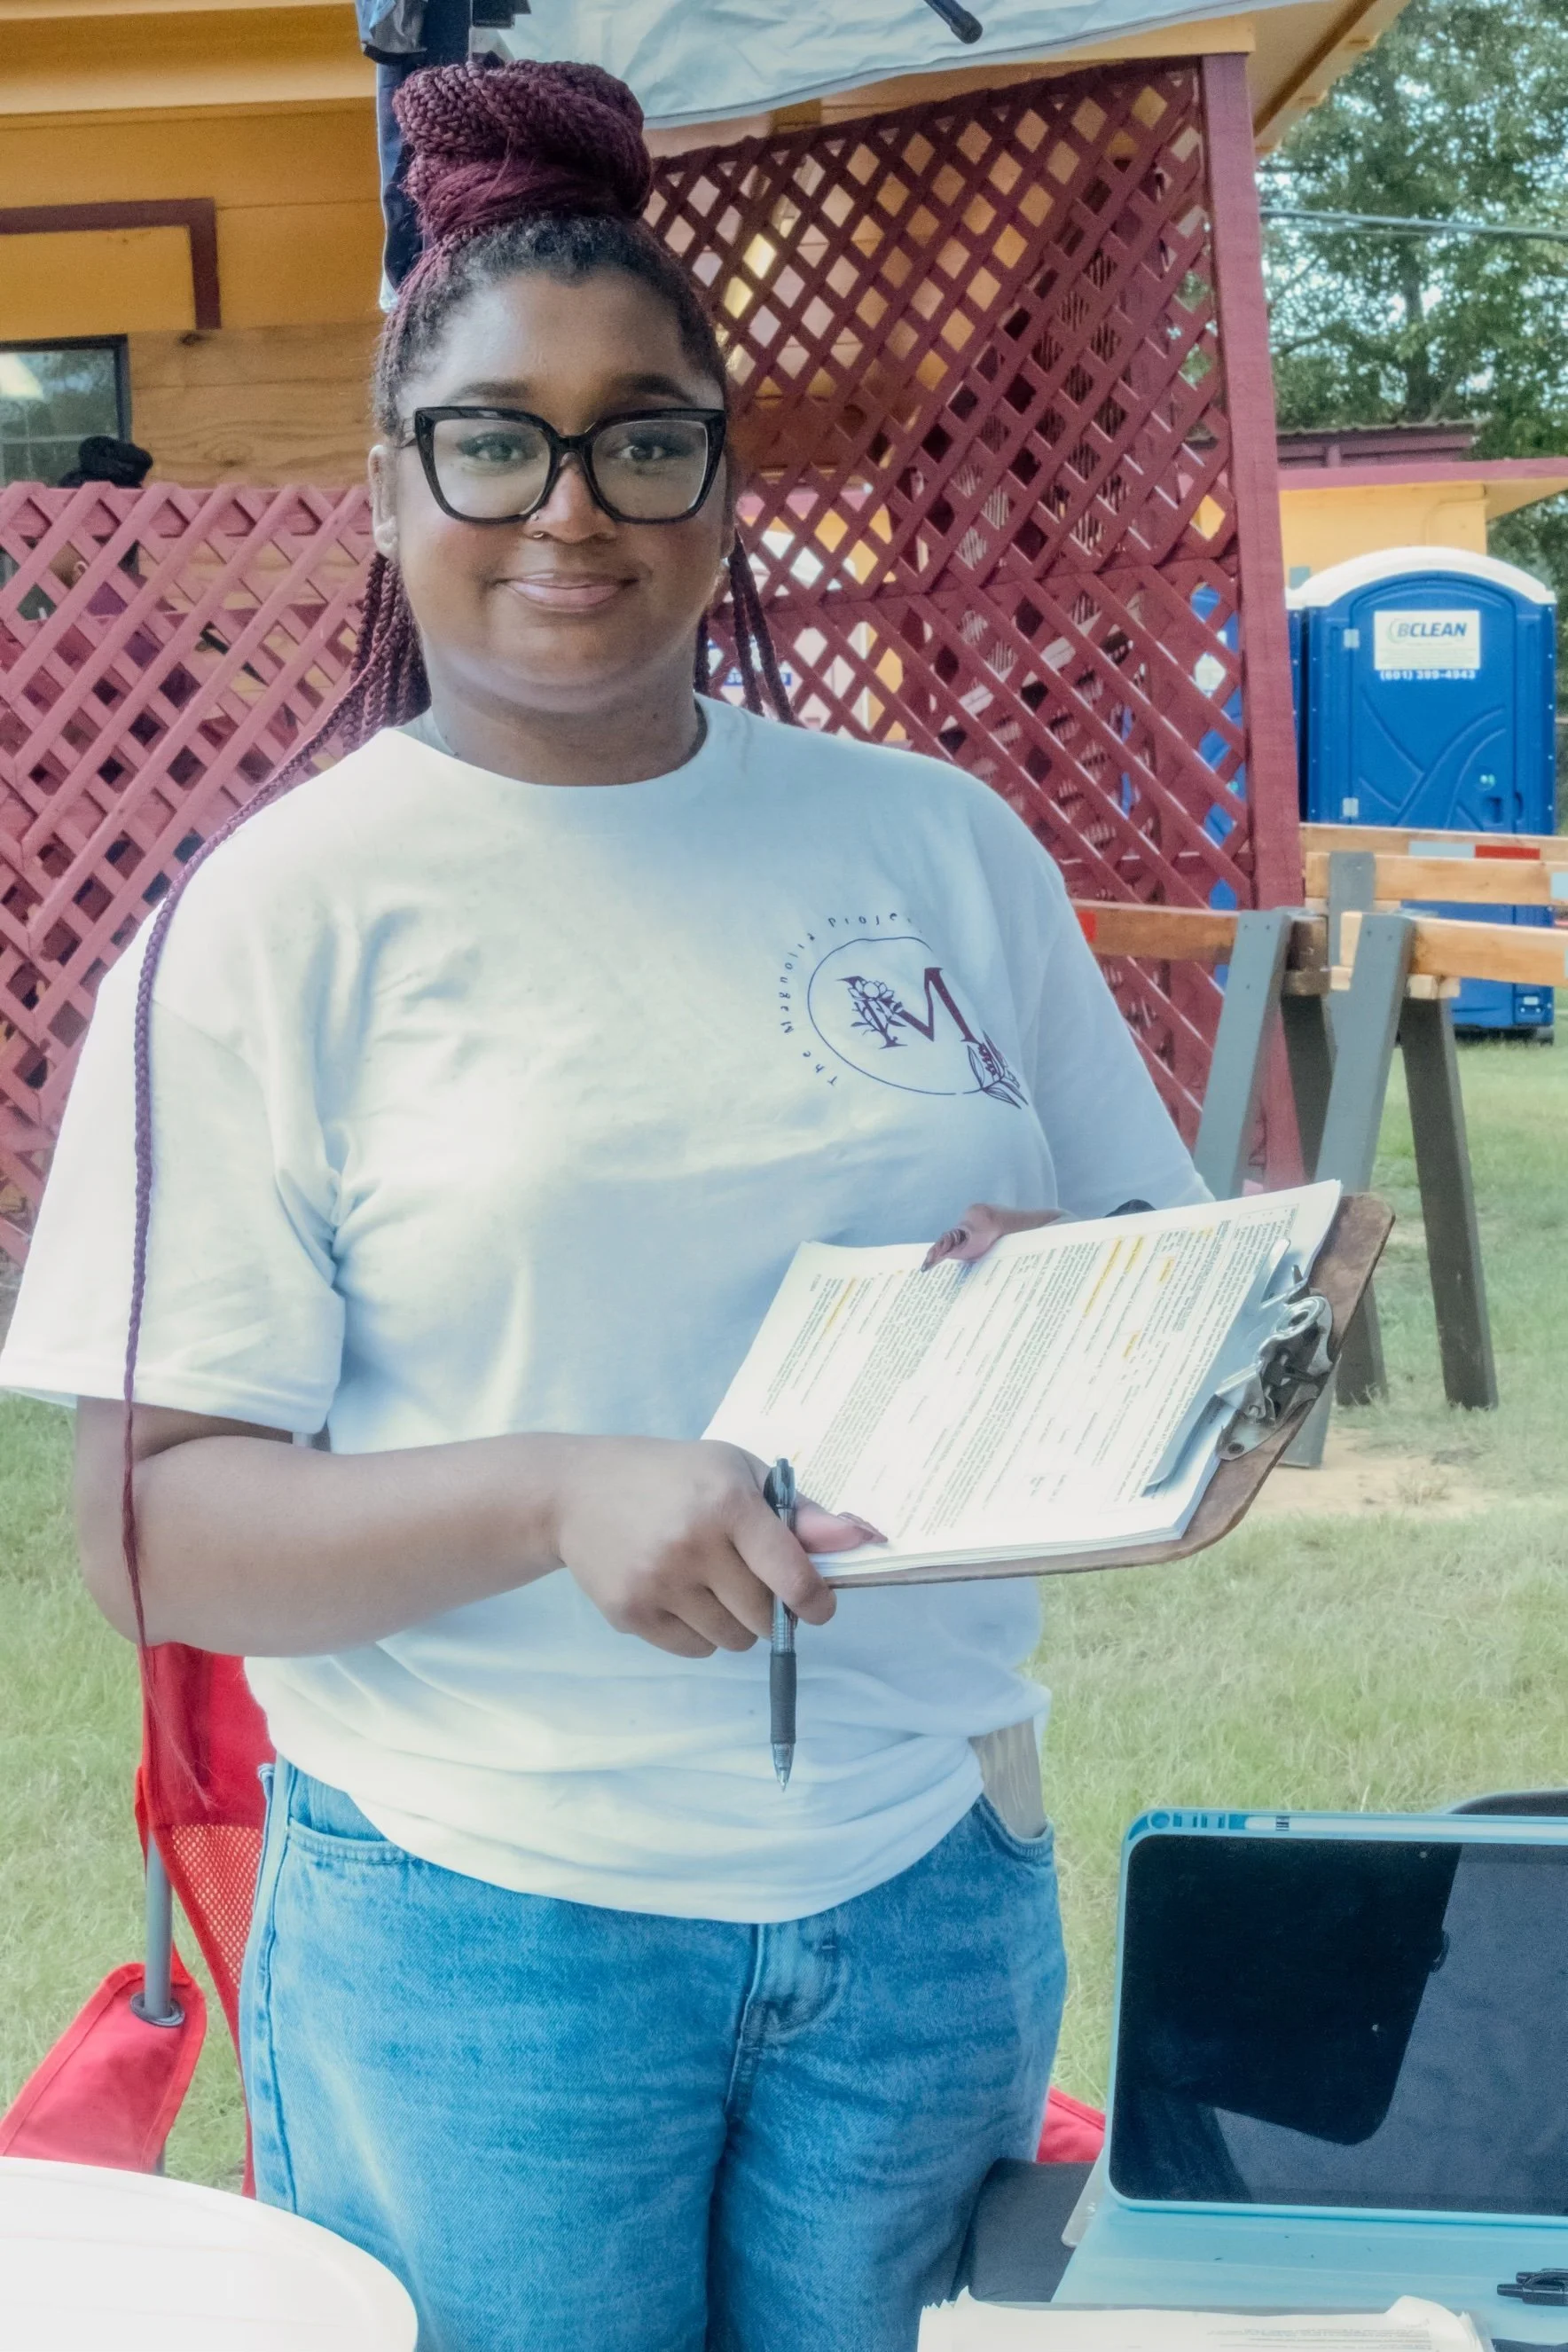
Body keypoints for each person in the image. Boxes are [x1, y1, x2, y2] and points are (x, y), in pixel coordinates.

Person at [0, 56, 1207, 2352]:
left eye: (644, 438)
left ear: (723, 485)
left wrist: (1108, 1320)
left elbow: (1142, 1291)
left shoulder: (936, 846)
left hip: (929, 1885)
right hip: (488, 1921)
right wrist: (559, 1492)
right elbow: (151, 1532)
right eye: (495, 439)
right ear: (390, 483)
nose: (571, 507)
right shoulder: (276, 922)